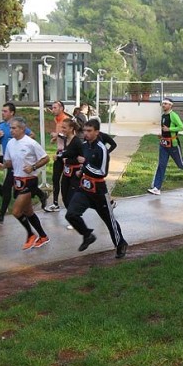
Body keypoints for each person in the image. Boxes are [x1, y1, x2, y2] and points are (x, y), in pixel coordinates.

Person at [65, 119, 128, 259]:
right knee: (71, 214)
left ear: (97, 132)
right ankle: (87, 235)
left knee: (109, 220)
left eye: (89, 131)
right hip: (84, 188)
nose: (86, 134)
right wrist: (81, 171)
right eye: (84, 131)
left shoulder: (102, 148)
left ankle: (120, 244)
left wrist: (85, 165)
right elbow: (85, 164)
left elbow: (102, 172)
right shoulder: (84, 146)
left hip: (99, 191)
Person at [0, 117, 50, 249]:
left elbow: (46, 158)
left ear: (22, 129)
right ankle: (43, 236)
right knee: (28, 212)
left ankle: (31, 235)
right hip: (17, 180)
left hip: (29, 180)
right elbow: (9, 162)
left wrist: (33, 167)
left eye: (14, 128)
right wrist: (2, 166)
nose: (11, 130)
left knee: (16, 211)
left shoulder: (30, 143)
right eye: (10, 128)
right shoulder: (10, 144)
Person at [0, 102, 46, 223]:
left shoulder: (18, 125)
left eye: (5, 111)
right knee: (14, 187)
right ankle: (40, 194)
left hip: (20, 161)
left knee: (8, 186)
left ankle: (2, 214)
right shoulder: (1, 125)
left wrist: (22, 147)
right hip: (9, 159)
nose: (3, 113)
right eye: (2, 111)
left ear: (12, 113)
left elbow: (32, 135)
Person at [147, 98, 183, 195]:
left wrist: (169, 129)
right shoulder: (163, 116)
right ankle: (157, 188)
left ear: (170, 105)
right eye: (163, 104)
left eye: (165, 104)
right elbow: (164, 130)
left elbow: (181, 127)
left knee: (180, 163)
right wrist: (161, 135)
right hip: (163, 144)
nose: (163, 105)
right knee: (161, 165)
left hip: (173, 144)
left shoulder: (174, 115)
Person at [57, 118, 84, 228]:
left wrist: (68, 160)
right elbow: (66, 154)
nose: (62, 129)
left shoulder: (77, 142)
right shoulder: (64, 139)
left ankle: (75, 219)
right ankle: (73, 216)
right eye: (61, 127)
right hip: (66, 172)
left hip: (75, 174)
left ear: (71, 128)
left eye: (64, 127)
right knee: (64, 196)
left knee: (71, 198)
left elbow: (82, 158)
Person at [46, 101, 70, 211]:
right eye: (52, 107)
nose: (53, 109)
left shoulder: (66, 120)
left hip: (68, 154)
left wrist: (57, 135)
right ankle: (55, 203)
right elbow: (61, 137)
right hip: (59, 153)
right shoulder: (56, 120)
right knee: (55, 178)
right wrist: (55, 139)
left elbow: (69, 136)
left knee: (71, 181)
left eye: (55, 107)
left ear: (61, 108)